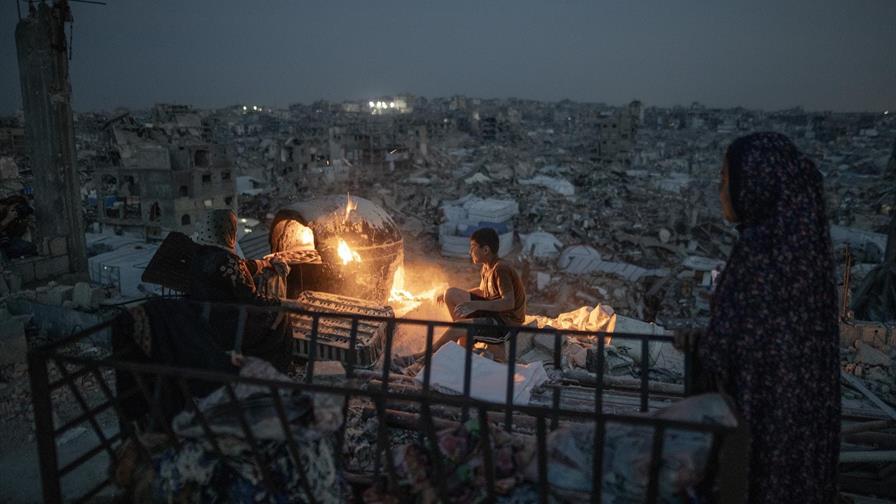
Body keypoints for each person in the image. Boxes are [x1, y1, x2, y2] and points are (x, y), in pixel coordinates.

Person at [691, 133, 840, 503]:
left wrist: (703, 345)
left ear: (754, 184)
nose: (720, 190)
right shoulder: (805, 247)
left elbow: (735, 343)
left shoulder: (760, 253)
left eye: (726, 179)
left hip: (757, 413)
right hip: (797, 418)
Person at [188, 209, 292, 370]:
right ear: (228, 230)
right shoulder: (228, 260)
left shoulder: (199, 254)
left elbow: (239, 269)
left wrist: (264, 263)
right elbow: (251, 299)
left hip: (203, 319)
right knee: (281, 315)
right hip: (229, 326)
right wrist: (282, 302)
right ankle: (275, 366)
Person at [420, 227, 527, 359]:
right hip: (494, 314)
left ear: (485, 250)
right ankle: (465, 342)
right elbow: (482, 291)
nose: (470, 251)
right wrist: (453, 296)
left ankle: (423, 357)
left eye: (473, 247)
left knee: (458, 326)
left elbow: (508, 303)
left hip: (506, 323)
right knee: (451, 293)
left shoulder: (501, 269)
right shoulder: (487, 267)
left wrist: (474, 305)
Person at [0, 195, 37, 259]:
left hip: (4, 242)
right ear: (9, 203)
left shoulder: (13, 217)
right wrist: (7, 220)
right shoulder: (2, 209)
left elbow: (13, 235)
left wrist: (23, 223)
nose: (16, 210)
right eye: (16, 207)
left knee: (29, 247)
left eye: (18, 208)